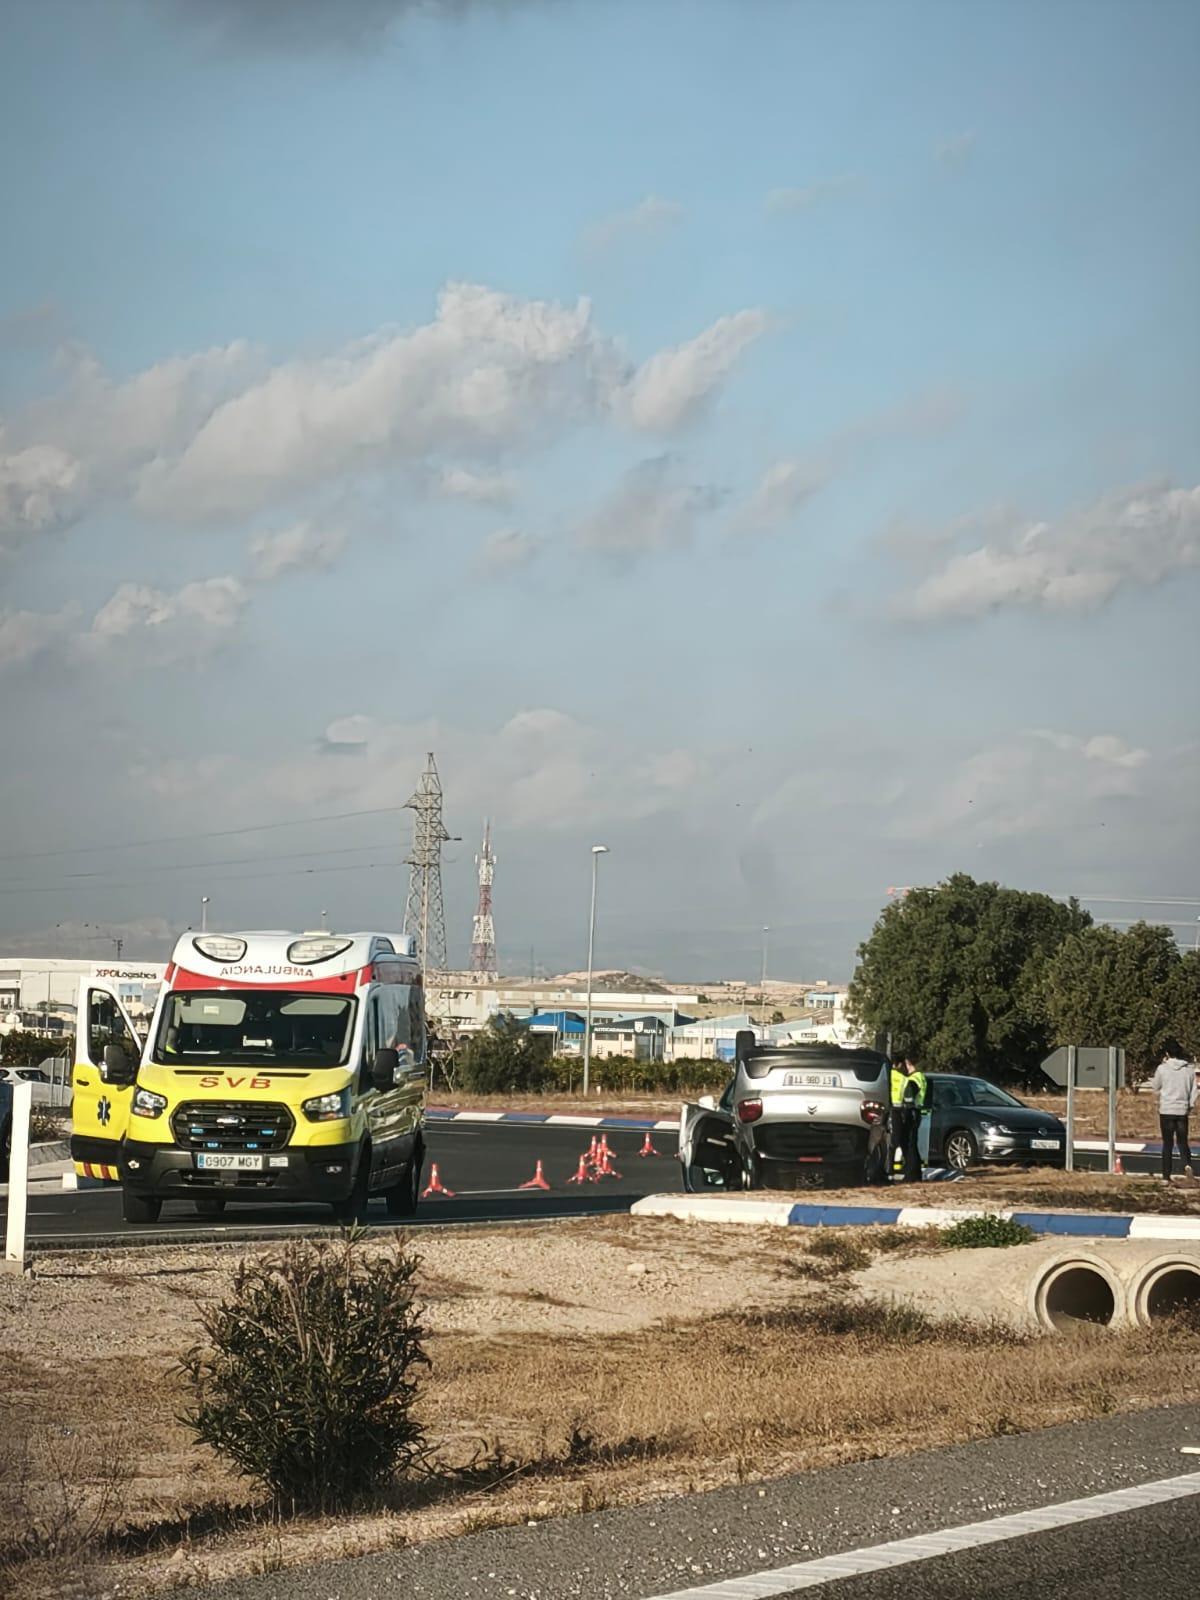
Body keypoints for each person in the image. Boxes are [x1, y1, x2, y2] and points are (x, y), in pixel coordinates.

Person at [1149, 1041, 1197, 1181]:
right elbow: (1194, 1091)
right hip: (1182, 1111)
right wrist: (1189, 1105)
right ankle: (1187, 1166)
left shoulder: (1162, 1069)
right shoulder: (1189, 1070)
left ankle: (1166, 1175)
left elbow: (1155, 1086)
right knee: (1183, 1142)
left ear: (1167, 1054)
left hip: (1167, 1110)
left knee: (1168, 1143)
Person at [889, 1055, 927, 1183]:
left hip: (907, 1112)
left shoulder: (912, 1078)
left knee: (907, 1143)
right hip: (915, 1111)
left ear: (907, 1063)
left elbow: (909, 1094)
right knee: (911, 1143)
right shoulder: (920, 1077)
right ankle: (914, 1173)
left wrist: (906, 1108)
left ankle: (911, 1174)